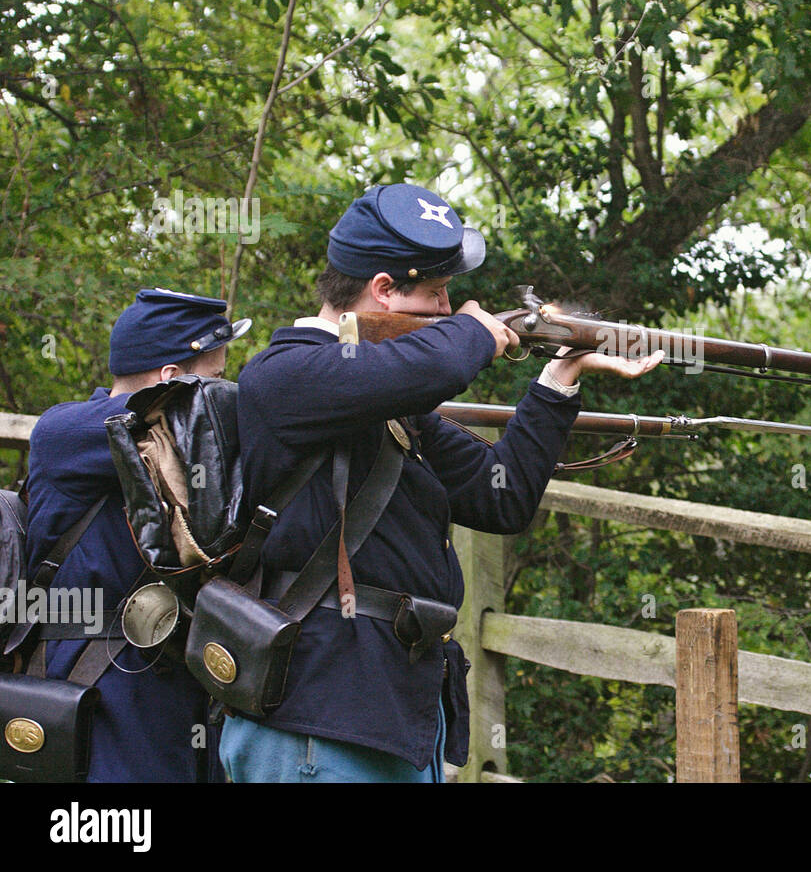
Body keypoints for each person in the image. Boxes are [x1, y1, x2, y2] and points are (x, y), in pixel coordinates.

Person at [221, 183, 661, 782]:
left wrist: (561, 376)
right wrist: (481, 331)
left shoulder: (391, 402)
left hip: (392, 715)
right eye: (436, 293)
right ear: (383, 291)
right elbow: (442, 360)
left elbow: (501, 496)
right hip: (317, 722)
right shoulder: (286, 374)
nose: (449, 310)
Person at [22, 288, 251, 782]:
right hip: (98, 683)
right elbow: (147, 425)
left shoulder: (193, 449)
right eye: (213, 379)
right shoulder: (66, 435)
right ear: (173, 381)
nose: (222, 389)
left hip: (178, 683)